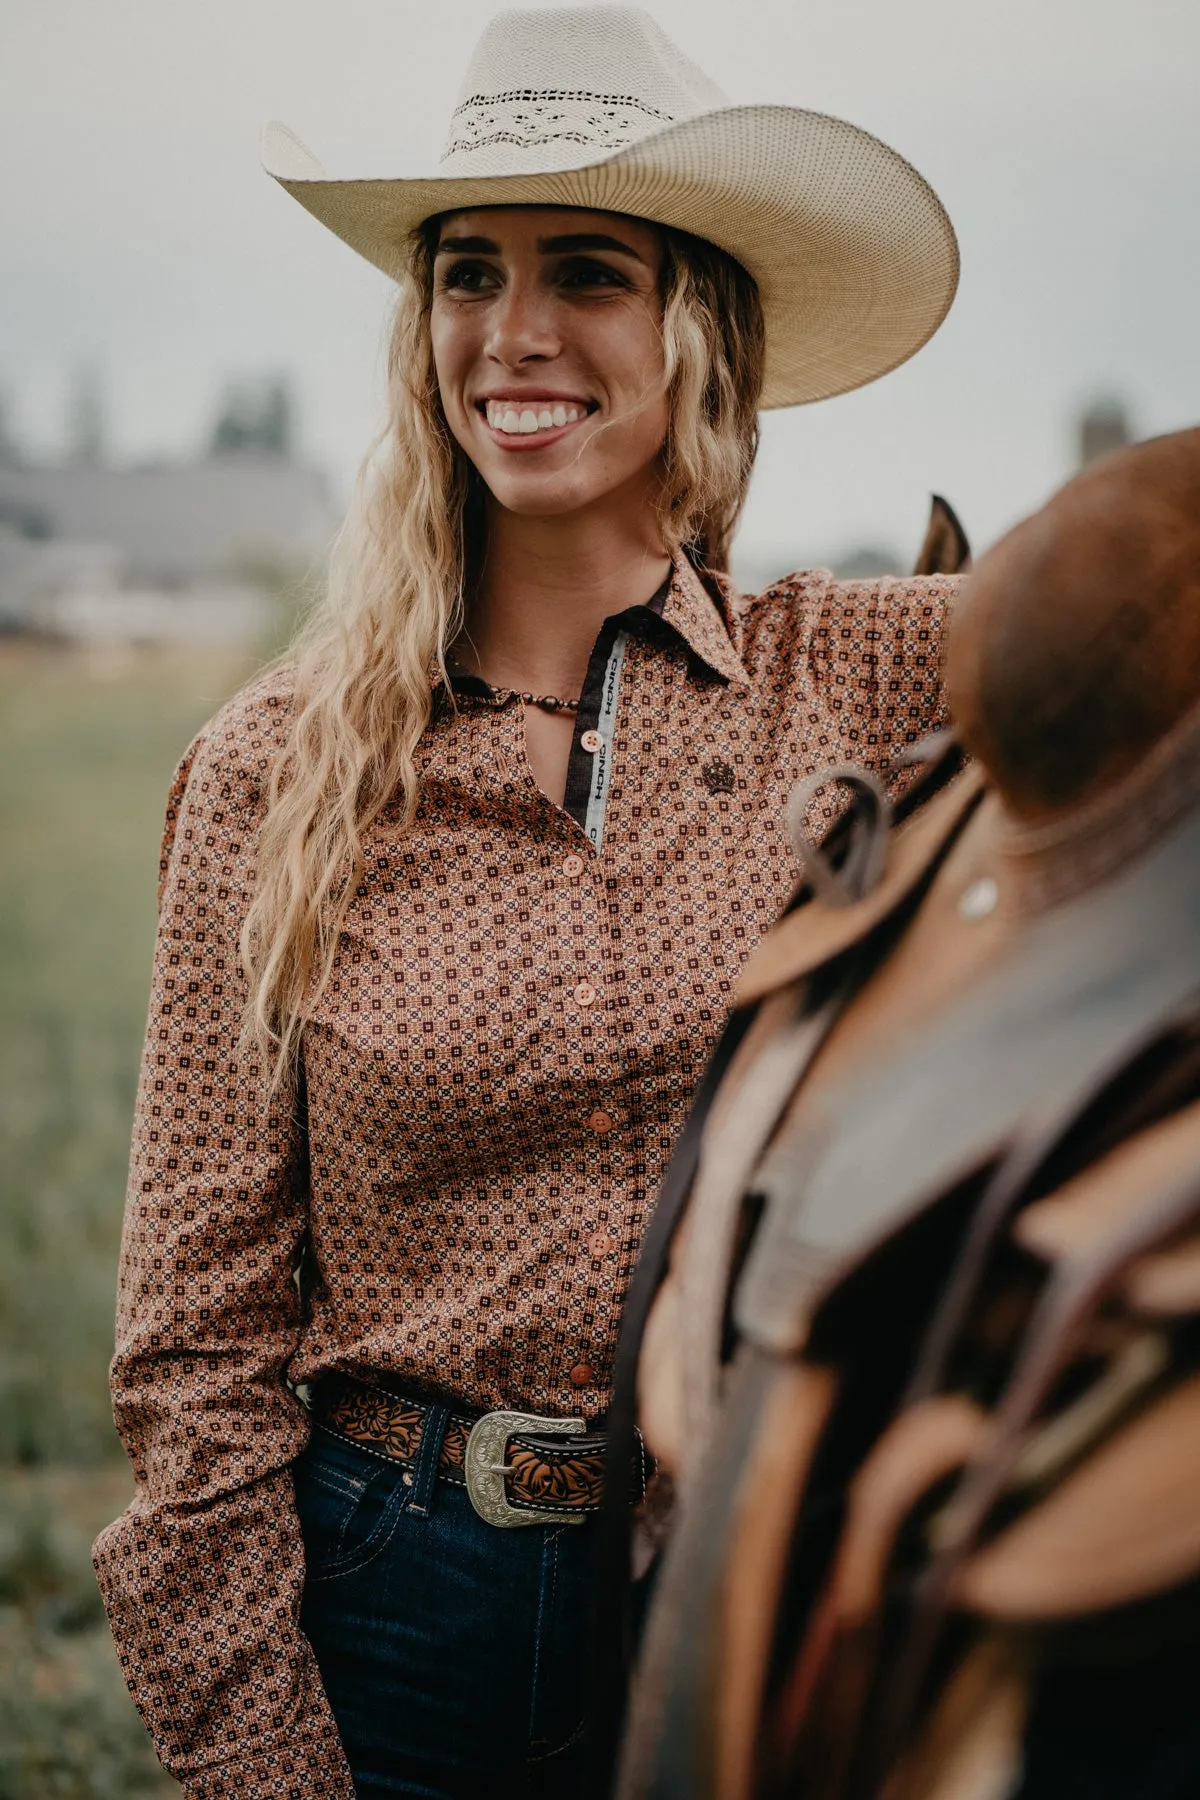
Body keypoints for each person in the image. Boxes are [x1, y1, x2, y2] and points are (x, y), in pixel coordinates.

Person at [93, 8, 963, 1797]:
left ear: (699, 329)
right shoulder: (275, 772)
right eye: (468, 273)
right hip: (399, 1591)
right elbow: (194, 1350)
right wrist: (263, 1766)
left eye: (591, 272)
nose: (516, 333)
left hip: (749, 1572)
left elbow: (1143, 602)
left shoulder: (852, 679)